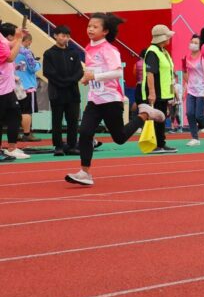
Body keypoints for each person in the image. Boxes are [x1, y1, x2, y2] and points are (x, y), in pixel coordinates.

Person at [65, 14, 166, 185]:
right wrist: (86, 78)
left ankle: (144, 115)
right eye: (89, 26)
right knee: (85, 132)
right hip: (95, 99)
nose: (90, 29)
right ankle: (85, 173)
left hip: (111, 99)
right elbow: (93, 71)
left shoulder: (109, 50)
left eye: (95, 27)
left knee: (119, 138)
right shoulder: (88, 47)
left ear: (105, 31)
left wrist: (94, 76)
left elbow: (118, 72)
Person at [43, 24, 83, 155]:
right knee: (57, 120)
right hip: (57, 93)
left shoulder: (74, 53)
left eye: (67, 36)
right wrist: (63, 82)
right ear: (55, 36)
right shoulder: (49, 53)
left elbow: (79, 71)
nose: (65, 38)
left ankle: (72, 146)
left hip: (73, 93)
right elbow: (48, 72)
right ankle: (58, 146)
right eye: (62, 36)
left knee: (73, 120)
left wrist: (70, 81)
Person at [139, 24, 178, 154]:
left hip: (164, 93)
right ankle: (154, 144)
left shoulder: (162, 51)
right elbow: (150, 74)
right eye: (167, 36)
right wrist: (152, 93)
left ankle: (161, 143)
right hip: (156, 93)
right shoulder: (152, 52)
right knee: (155, 118)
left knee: (161, 118)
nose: (169, 38)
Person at [0, 22, 30, 161]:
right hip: (1, 90)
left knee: (15, 116)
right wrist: (18, 39)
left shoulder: (1, 38)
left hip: (8, 89)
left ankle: (12, 148)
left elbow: (9, 45)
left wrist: (19, 37)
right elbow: (10, 57)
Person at [180, 34, 204, 146]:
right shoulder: (186, 57)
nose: (193, 44)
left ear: (200, 45)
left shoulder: (203, 57)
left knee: (199, 115)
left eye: (196, 43)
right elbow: (184, 72)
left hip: (202, 89)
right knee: (190, 113)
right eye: (192, 42)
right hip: (191, 90)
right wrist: (185, 88)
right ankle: (195, 138)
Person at [14, 32, 40, 141]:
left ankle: (14, 134)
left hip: (13, 85)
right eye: (30, 41)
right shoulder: (27, 52)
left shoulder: (11, 50)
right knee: (27, 111)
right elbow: (33, 68)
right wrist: (38, 63)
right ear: (27, 41)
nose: (30, 44)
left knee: (15, 111)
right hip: (27, 86)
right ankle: (27, 133)